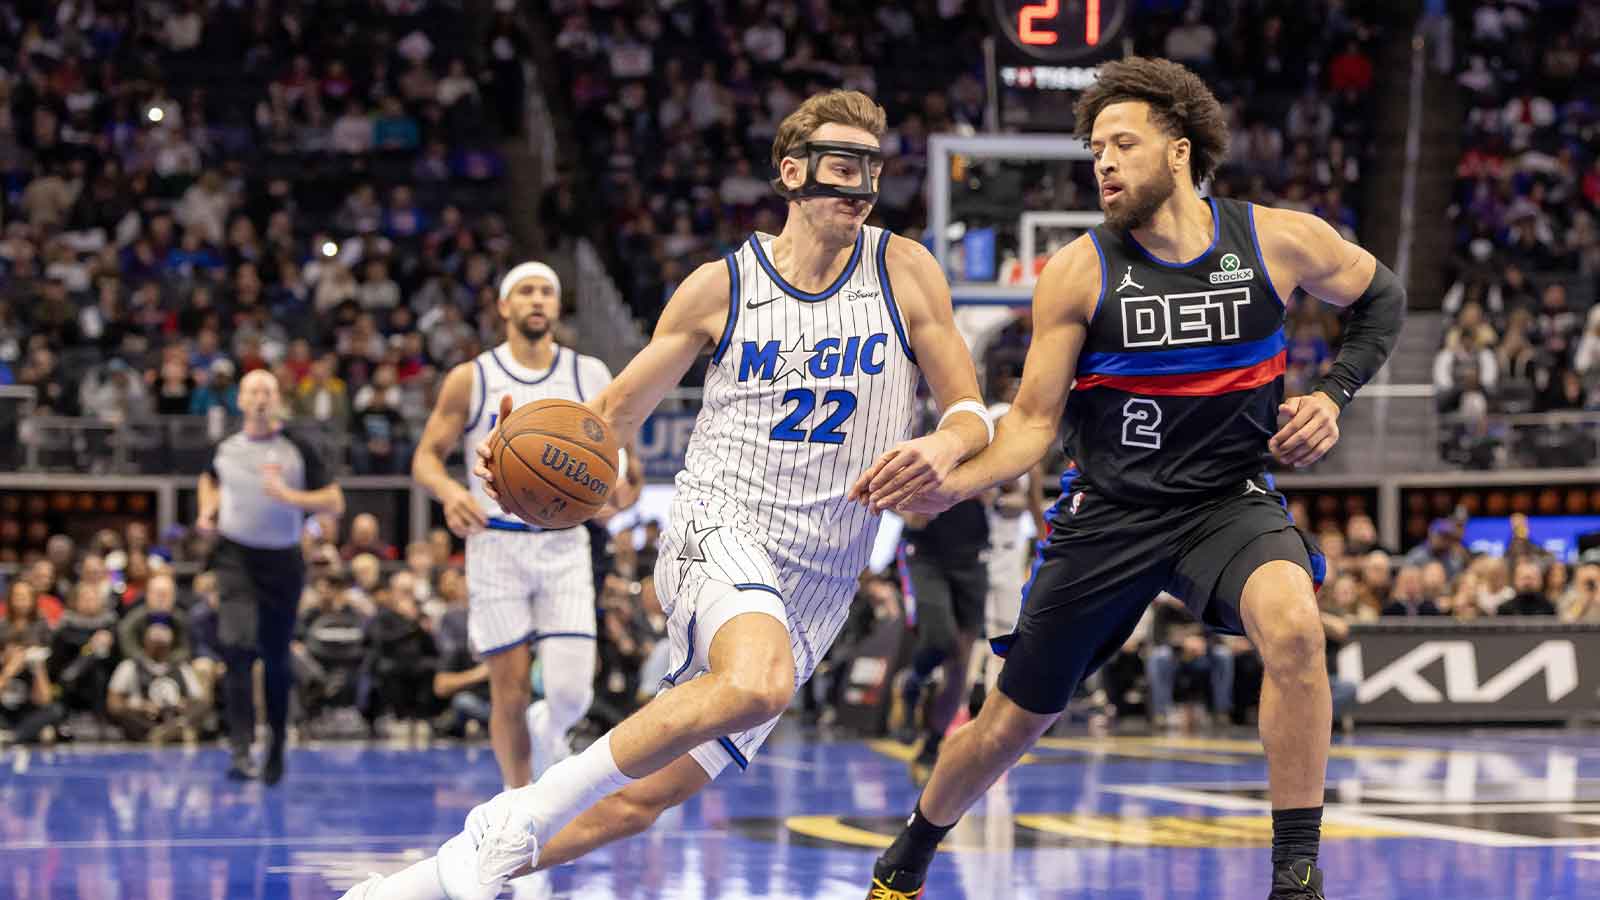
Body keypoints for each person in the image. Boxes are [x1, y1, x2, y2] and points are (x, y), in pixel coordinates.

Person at [340, 88, 989, 900]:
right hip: (720, 525)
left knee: (641, 802)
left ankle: (414, 888)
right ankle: (521, 810)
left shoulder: (905, 269)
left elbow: (970, 413)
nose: (858, 187)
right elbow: (611, 415)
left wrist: (944, 441)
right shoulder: (721, 287)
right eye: (839, 166)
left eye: (871, 169)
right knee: (758, 681)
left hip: (822, 575)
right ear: (791, 172)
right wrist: (522, 450)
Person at [860, 57, 1404, 900]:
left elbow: (1383, 297)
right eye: (1095, 151)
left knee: (1295, 629)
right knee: (1013, 722)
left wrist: (1333, 394)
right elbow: (1034, 426)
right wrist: (954, 479)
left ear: (1180, 151)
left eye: (1122, 144)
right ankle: (911, 853)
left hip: (1227, 501)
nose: (1103, 164)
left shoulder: (1276, 238)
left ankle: (1296, 877)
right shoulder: (1078, 271)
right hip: (1108, 512)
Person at [409, 258, 643, 886]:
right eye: (526, 291)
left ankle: (552, 727)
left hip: (566, 544)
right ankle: (518, 815)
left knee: (572, 693)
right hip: (496, 545)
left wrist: (616, 491)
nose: (537, 300)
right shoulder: (472, 376)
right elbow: (426, 457)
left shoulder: (586, 373)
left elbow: (624, 461)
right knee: (507, 690)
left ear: (557, 306)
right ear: (505, 305)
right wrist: (450, 493)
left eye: (547, 291)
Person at [198, 369, 345, 784]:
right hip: (234, 557)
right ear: (241, 401)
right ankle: (241, 748)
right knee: (235, 645)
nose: (260, 397)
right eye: (252, 390)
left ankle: (277, 743)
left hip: (282, 559)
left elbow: (335, 501)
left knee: (276, 657)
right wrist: (207, 510)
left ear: (277, 399)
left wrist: (290, 497)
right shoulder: (225, 447)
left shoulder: (299, 446)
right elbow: (208, 479)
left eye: (267, 390)